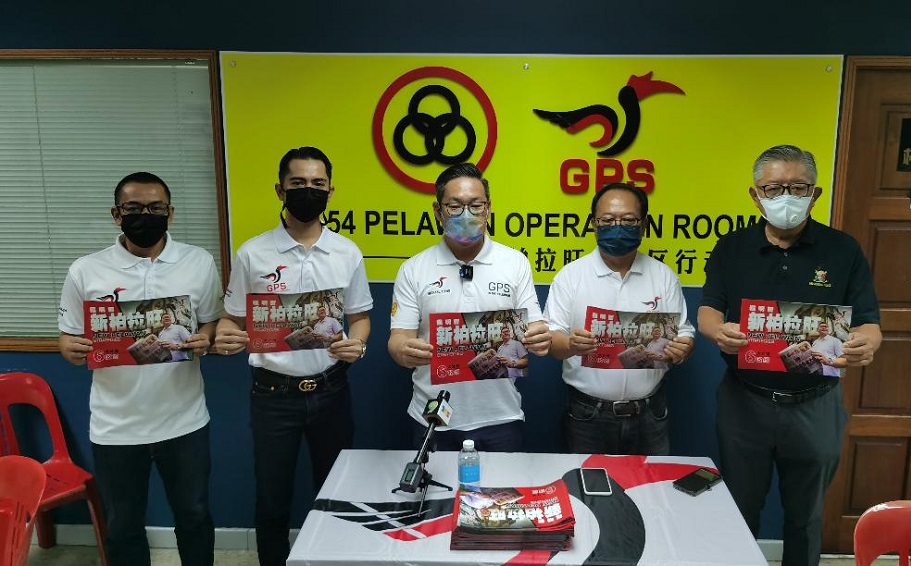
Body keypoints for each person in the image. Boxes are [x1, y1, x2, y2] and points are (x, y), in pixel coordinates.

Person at [698, 144, 882, 566]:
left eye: (798, 188)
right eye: (773, 188)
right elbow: (709, 309)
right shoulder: (732, 247)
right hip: (745, 402)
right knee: (739, 509)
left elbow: (869, 322)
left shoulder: (843, 250)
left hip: (815, 403)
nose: (786, 197)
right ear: (755, 195)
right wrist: (717, 331)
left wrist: (865, 343)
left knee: (805, 517)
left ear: (815, 195)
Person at [213, 146, 373, 566]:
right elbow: (231, 319)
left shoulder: (347, 252)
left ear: (330, 191)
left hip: (331, 390)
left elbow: (360, 319)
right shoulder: (252, 253)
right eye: (298, 183)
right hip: (272, 395)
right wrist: (226, 336)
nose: (308, 190)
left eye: (317, 184)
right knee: (272, 500)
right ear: (280, 190)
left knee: (336, 494)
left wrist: (357, 344)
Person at [57, 172, 220, 566]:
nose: (145, 216)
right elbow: (68, 337)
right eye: (133, 208)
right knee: (123, 526)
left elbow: (211, 322)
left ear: (170, 213)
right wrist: (71, 349)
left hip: (184, 420)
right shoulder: (86, 270)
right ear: (117, 215)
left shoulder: (198, 262)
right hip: (116, 425)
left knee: (195, 517)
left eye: (155, 208)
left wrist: (205, 338)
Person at [388, 162, 551, 452]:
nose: (467, 214)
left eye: (476, 205)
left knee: (503, 484)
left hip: (501, 416)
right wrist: (403, 351)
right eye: (455, 206)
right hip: (433, 416)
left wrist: (539, 336)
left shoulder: (515, 263)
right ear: (438, 211)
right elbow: (398, 338)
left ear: (488, 209)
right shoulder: (413, 269)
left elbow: (534, 324)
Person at [544, 182, 696, 455]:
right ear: (593, 224)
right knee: (587, 482)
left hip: (650, 414)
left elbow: (683, 332)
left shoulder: (663, 276)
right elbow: (551, 342)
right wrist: (570, 344)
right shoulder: (570, 276)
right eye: (607, 220)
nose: (617, 227)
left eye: (628, 220)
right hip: (588, 415)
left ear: (644, 225)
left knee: (652, 482)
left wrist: (684, 347)